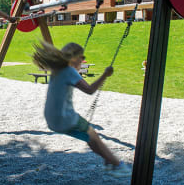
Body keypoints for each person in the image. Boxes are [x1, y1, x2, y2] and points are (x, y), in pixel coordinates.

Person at [33, 41, 132, 177]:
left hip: (51, 119)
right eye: (81, 57)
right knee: (93, 135)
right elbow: (90, 90)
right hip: (65, 118)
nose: (83, 60)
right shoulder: (69, 71)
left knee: (90, 137)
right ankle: (119, 166)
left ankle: (108, 161)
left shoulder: (57, 70)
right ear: (75, 58)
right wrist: (105, 75)